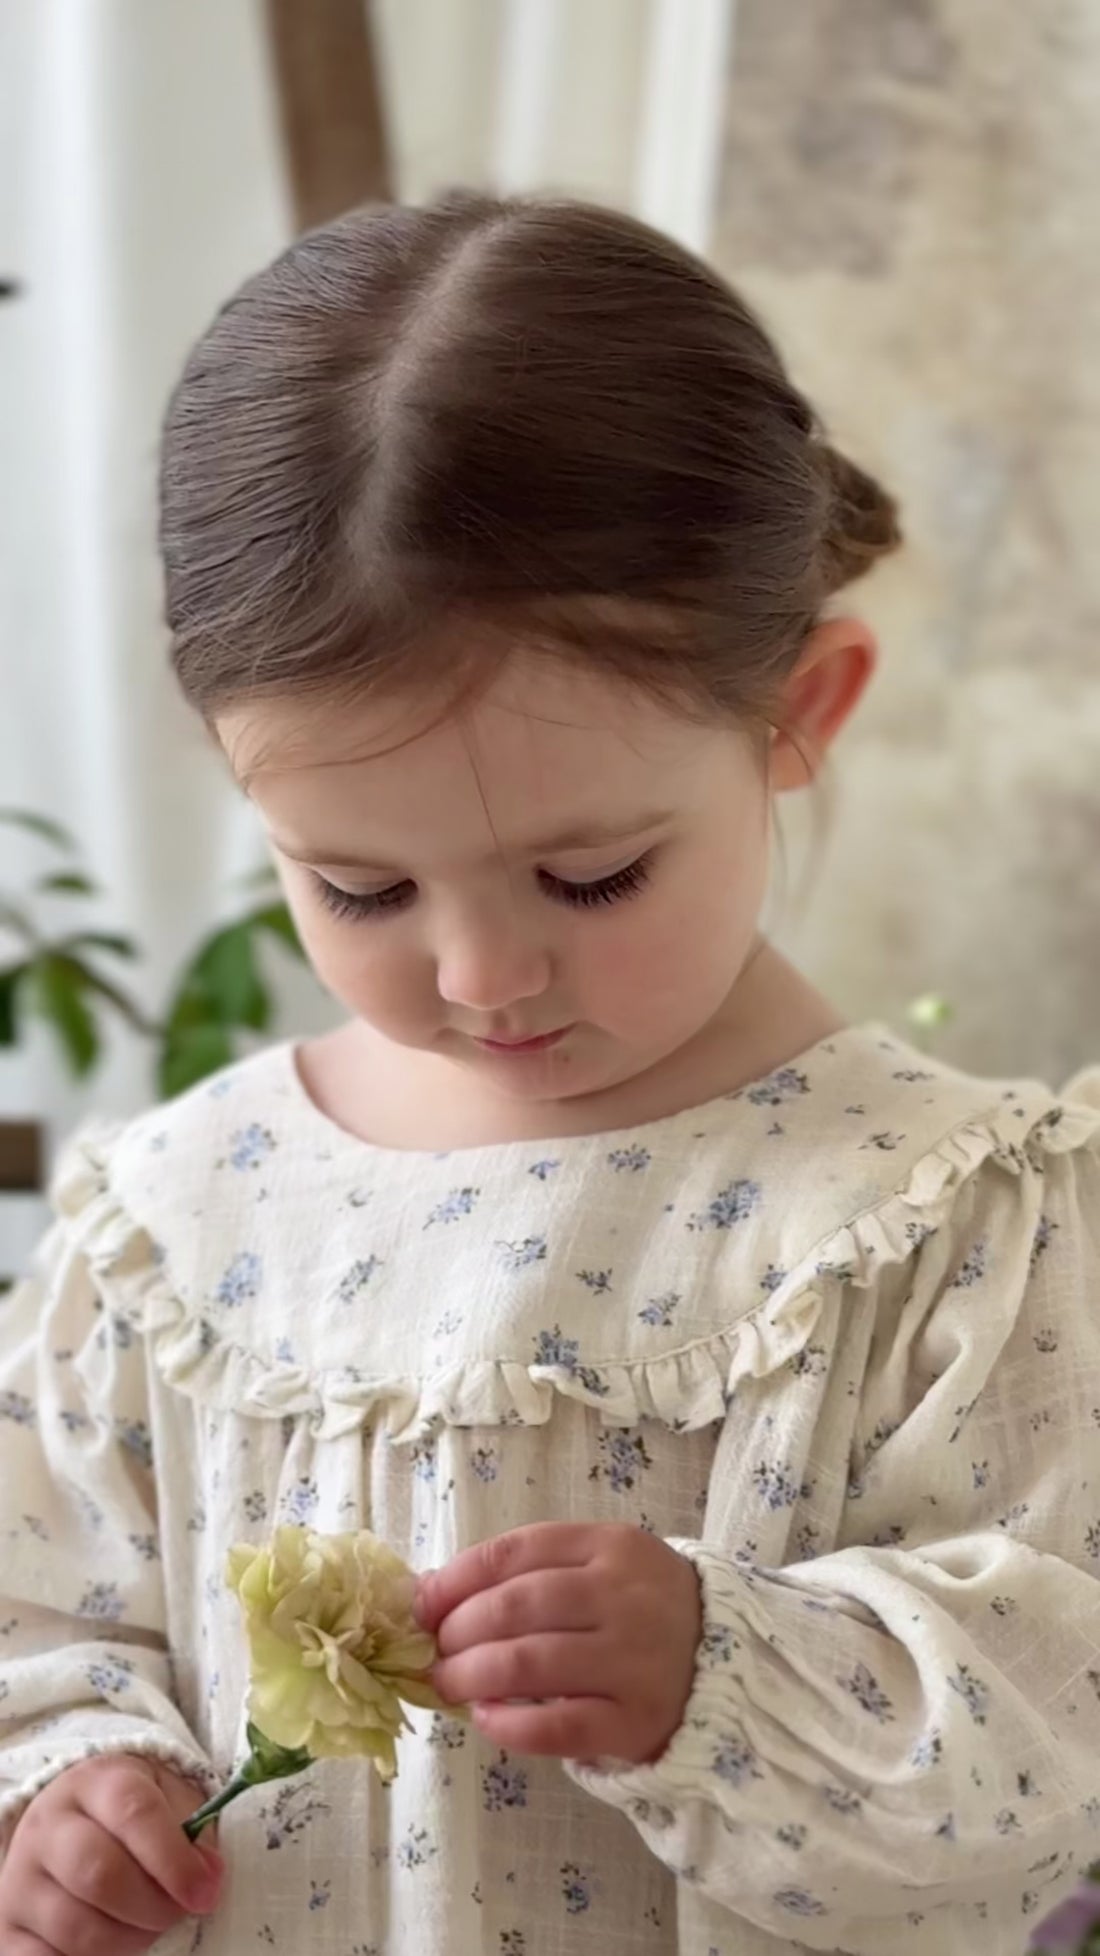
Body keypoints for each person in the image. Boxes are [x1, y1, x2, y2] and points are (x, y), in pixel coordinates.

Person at [1, 191, 1098, 1956]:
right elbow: (41, 1609)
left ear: (801, 712)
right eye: (357, 886)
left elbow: (1047, 1755)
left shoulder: (939, 1226)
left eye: (592, 877)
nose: (479, 975)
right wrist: (72, 1793)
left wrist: (724, 1672)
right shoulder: (175, 1228)